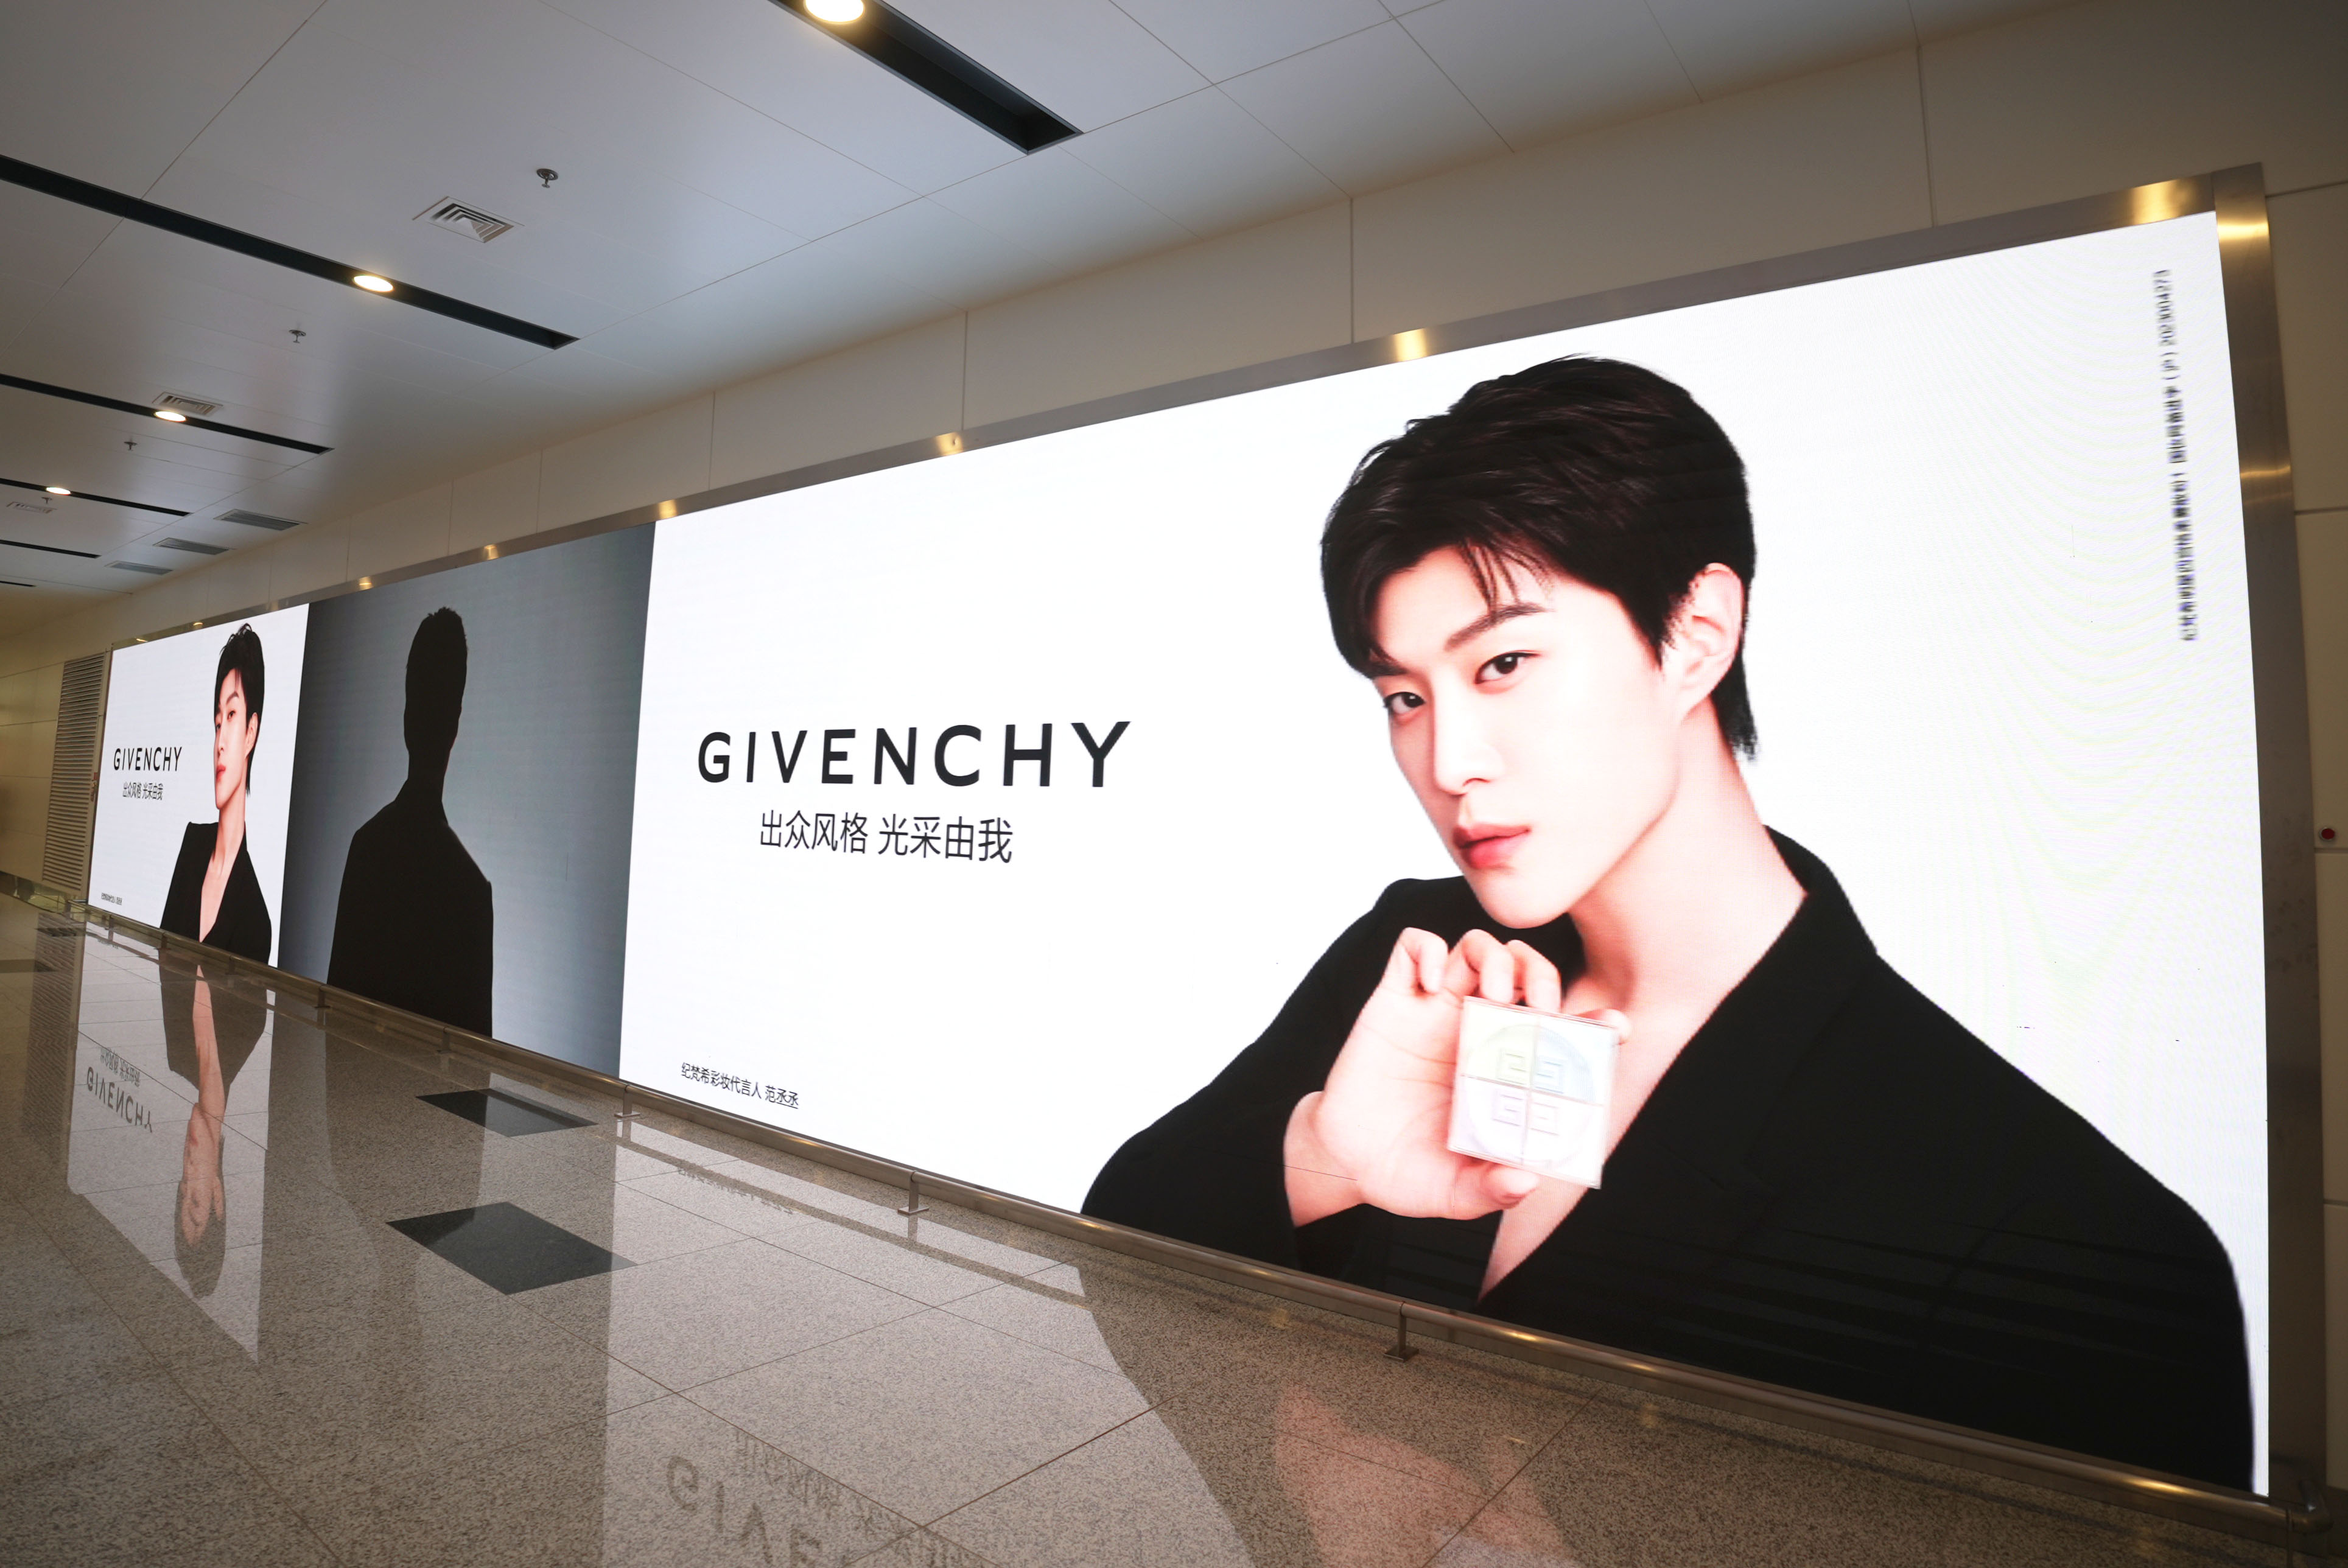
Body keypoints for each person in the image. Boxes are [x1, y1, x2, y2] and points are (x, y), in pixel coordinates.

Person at [1085, 357, 2252, 1486]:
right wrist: (1323, 1159)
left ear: (1695, 636)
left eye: (1502, 662)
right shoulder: (1424, 958)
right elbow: (1118, 1249)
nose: (1446, 761)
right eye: (1403, 695)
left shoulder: (2074, 1239)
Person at [326, 607, 494, 1034]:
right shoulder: (471, 890)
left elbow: (335, 1013)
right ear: (456, 723)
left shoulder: (366, 847)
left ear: (406, 718)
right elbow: (473, 1057)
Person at [159, 625, 273, 961]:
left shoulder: (255, 916)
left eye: (232, 715)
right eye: (218, 723)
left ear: (251, 733)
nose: (219, 743)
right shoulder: (193, 844)